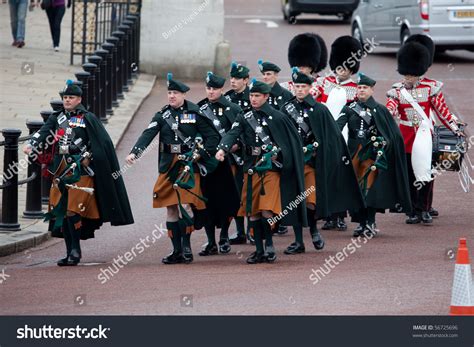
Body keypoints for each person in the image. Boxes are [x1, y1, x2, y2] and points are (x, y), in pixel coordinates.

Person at [23, 80, 134, 266]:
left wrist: (89, 156)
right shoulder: (56, 118)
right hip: (60, 170)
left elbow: (101, 143)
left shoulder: (88, 118)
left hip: (81, 171)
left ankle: (75, 250)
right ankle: (69, 251)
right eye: (65, 97)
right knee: (62, 211)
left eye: (71, 97)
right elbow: (42, 133)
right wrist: (32, 144)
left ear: (79, 99)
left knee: (73, 210)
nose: (67, 100)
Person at [126, 73, 219, 264]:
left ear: (183, 94)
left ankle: (186, 248)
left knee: (186, 205)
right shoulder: (162, 114)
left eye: (175, 92)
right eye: (169, 92)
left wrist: (199, 154)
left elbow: (213, 138)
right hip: (168, 165)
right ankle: (175, 250)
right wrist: (135, 152)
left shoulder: (195, 112)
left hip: (188, 165)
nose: (171, 96)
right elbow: (148, 133)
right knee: (170, 208)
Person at [216, 80, 307, 264]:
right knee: (253, 210)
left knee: (266, 208)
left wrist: (279, 156)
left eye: (257, 96)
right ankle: (258, 250)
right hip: (250, 168)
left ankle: (270, 246)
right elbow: (232, 133)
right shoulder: (244, 116)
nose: (253, 99)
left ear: (266, 96)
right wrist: (222, 148)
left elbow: (289, 143)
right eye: (252, 95)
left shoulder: (278, 117)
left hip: (270, 170)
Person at [280, 68, 364, 253]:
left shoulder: (319, 109)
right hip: (293, 165)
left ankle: (314, 231)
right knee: (294, 202)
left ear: (310, 87)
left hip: (311, 165)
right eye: (297, 86)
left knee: (309, 201)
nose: (299, 89)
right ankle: (298, 241)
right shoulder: (286, 109)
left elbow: (333, 137)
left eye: (303, 86)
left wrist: (323, 154)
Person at [386, 42, 464, 224]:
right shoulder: (397, 89)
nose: (408, 78)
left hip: (425, 135)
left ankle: (425, 208)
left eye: (412, 74)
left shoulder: (431, 87)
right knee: (409, 174)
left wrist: (455, 129)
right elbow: (391, 109)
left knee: (427, 173)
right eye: (406, 74)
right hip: (405, 136)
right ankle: (412, 209)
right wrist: (389, 113)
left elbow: (442, 111)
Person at [337, 73, 411, 236]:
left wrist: (384, 145)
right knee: (356, 190)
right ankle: (360, 223)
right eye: (359, 87)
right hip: (354, 153)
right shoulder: (349, 108)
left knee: (368, 189)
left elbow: (393, 135)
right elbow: (337, 128)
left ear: (371, 90)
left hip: (371, 155)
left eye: (365, 88)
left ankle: (370, 222)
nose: (361, 90)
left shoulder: (380, 110)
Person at [316, 35, 362, 232]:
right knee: (326, 177)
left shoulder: (356, 89)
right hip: (325, 135)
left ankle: (341, 216)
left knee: (342, 178)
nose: (340, 72)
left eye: (344, 69)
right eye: (338, 68)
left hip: (345, 137)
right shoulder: (323, 83)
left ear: (351, 69)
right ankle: (328, 216)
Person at [196, 72, 241, 255]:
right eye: (208, 88)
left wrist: (236, 146)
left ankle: (223, 236)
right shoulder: (199, 108)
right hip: (206, 163)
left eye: (214, 88)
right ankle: (210, 242)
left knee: (227, 201)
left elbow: (240, 132)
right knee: (206, 201)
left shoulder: (232, 109)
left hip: (226, 163)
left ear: (221, 90)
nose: (211, 91)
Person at [224, 61, 252, 243]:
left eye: (238, 78)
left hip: (249, 153)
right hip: (232, 154)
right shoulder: (227, 98)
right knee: (235, 192)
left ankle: (252, 231)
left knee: (249, 191)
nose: (233, 81)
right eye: (232, 78)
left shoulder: (255, 96)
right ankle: (240, 231)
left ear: (246, 80)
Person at [281, 33, 327, 99]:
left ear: (311, 68)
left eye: (304, 66)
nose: (301, 69)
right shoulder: (286, 87)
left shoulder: (322, 86)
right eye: (298, 66)